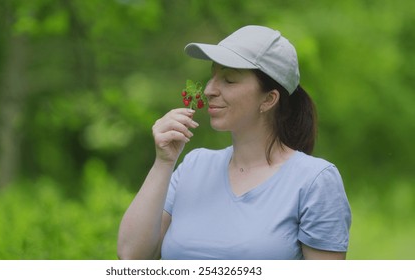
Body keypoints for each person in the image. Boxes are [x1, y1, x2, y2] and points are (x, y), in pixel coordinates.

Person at [117, 25, 351, 260]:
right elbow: (131, 257)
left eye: (229, 80)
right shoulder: (193, 165)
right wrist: (164, 161)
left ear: (269, 99)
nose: (209, 89)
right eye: (212, 76)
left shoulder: (315, 181)